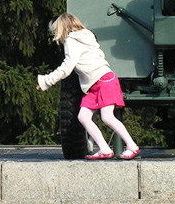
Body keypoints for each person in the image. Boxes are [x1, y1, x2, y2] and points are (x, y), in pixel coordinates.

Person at [37, 12, 140, 160]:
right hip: (95, 84)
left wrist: (47, 81)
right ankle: (104, 149)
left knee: (107, 117)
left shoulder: (71, 41)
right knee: (83, 116)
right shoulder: (86, 36)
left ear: (61, 28)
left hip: (103, 81)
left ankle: (132, 146)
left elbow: (67, 68)